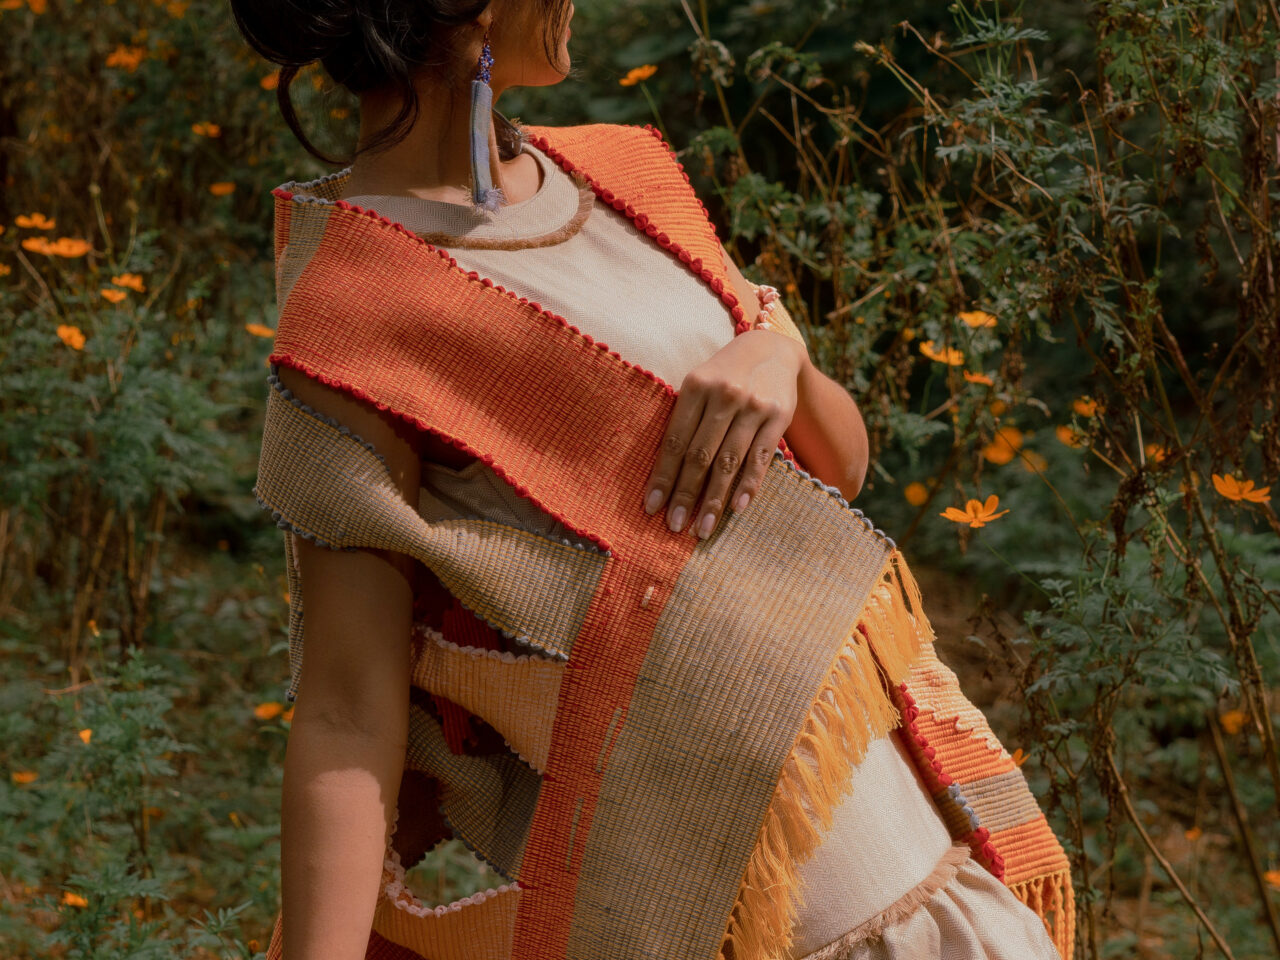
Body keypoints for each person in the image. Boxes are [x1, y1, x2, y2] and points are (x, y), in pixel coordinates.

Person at [232, 3, 1074, 959]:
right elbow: (348, 706)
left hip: (911, 840)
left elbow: (840, 466)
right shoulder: (358, 305)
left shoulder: (617, 174)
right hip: (706, 904)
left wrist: (776, 359)